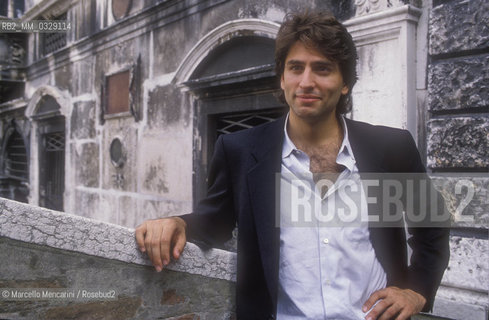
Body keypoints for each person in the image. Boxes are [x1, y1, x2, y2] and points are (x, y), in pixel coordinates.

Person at [135, 11, 449, 320]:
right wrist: (178, 223)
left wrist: (415, 290)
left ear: (344, 83)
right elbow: (214, 221)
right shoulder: (239, 150)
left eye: (322, 69)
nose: (306, 82)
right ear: (283, 78)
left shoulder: (392, 148)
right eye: (295, 68)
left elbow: (432, 227)